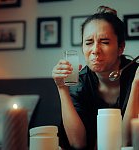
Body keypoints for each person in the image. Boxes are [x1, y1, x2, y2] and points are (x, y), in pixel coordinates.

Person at [52, 6, 139, 150]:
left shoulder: (135, 76)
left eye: (104, 42)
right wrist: (62, 88)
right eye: (88, 42)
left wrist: (136, 85)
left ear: (120, 48)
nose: (95, 50)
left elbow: (128, 142)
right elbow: (77, 144)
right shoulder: (79, 82)